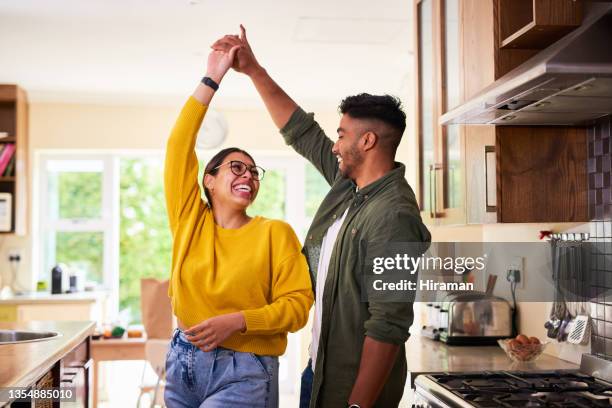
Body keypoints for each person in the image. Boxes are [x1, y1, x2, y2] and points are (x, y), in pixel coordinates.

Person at [212, 27, 432, 408]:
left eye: (342, 135)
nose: (334, 145)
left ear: (366, 142)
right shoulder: (350, 187)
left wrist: (357, 406)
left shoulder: (394, 216)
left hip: (351, 390)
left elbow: (388, 326)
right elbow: (302, 132)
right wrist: (253, 70)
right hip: (320, 373)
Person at [163, 44, 314, 408]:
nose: (248, 174)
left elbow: (297, 305)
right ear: (208, 180)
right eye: (236, 167)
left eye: (253, 171)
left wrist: (239, 321)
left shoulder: (274, 233)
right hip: (182, 362)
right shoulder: (189, 221)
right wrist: (212, 78)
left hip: (245, 371)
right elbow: (178, 146)